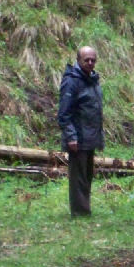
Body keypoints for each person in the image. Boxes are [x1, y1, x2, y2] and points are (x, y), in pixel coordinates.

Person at [58, 46, 104, 217]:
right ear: (78, 60)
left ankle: (85, 209)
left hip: (90, 136)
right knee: (78, 177)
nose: (90, 63)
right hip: (78, 137)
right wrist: (71, 136)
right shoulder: (71, 81)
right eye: (87, 60)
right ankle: (80, 212)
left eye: (93, 60)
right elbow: (64, 113)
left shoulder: (92, 79)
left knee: (87, 175)